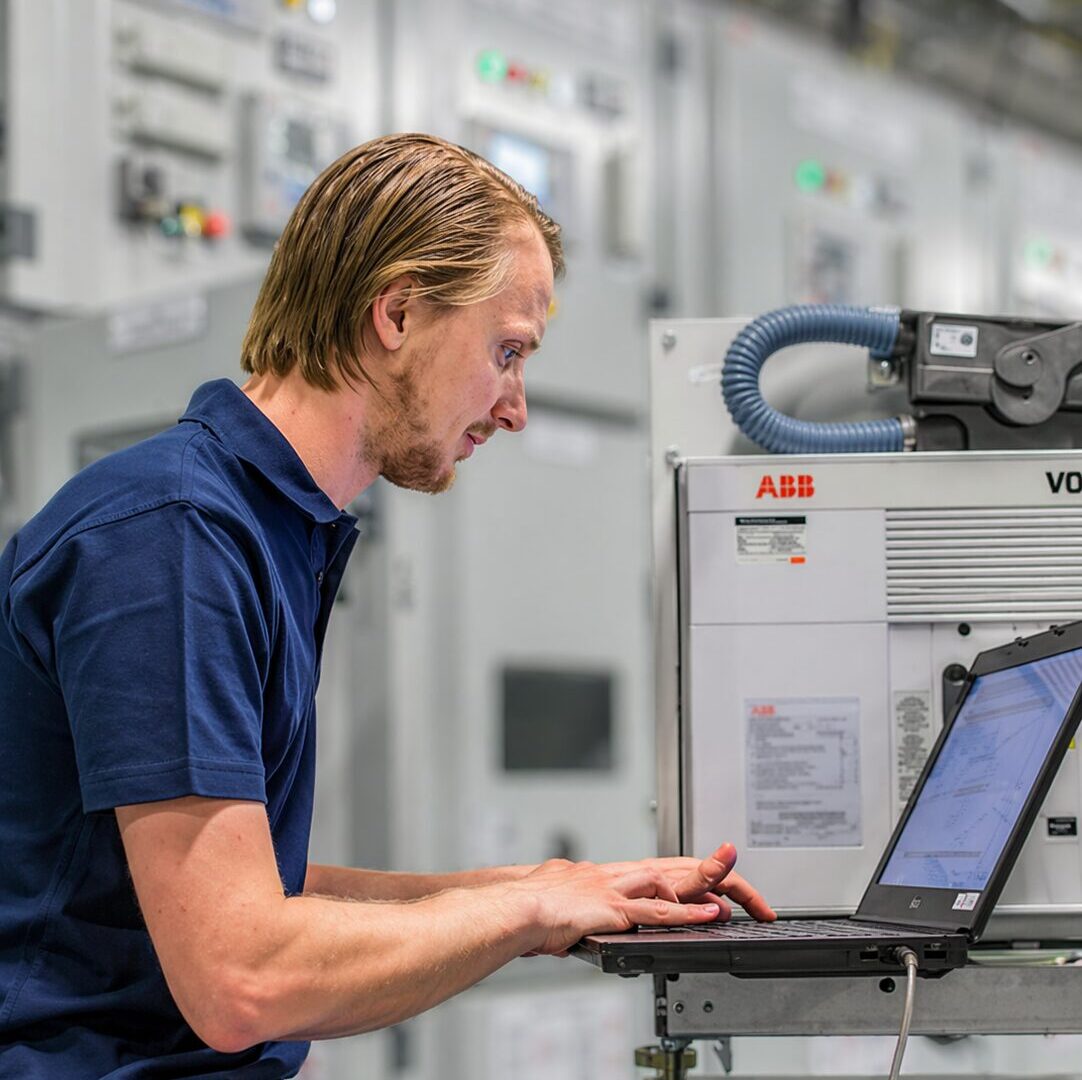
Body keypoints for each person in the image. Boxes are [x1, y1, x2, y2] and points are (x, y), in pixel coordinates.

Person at [0, 133, 774, 1077]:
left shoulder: (268, 533)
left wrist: (543, 886)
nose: (516, 406)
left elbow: (253, 894)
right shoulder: (173, 538)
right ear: (399, 312)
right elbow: (242, 976)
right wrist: (528, 911)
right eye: (507, 351)